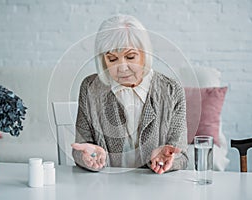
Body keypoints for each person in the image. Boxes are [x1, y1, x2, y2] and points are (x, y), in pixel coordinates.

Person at [72, 15, 188, 174]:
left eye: (130, 56)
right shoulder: (90, 88)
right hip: (107, 186)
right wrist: (87, 157)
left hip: (155, 186)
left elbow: (182, 157)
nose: (122, 68)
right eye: (112, 59)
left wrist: (167, 159)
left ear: (145, 54)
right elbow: (80, 149)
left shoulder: (171, 90)